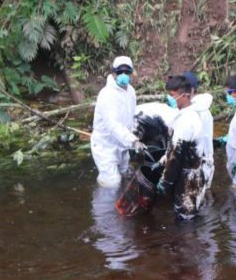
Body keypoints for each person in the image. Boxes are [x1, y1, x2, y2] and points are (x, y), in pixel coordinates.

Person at [156, 75, 214, 220]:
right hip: (192, 174)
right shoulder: (188, 115)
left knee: (185, 217)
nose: (169, 98)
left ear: (185, 95)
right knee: (190, 213)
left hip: (187, 179)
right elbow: (177, 149)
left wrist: (165, 182)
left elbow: (177, 156)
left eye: (172, 95)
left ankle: (188, 241)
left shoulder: (187, 120)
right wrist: (165, 158)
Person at [90, 55, 143, 187]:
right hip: (105, 145)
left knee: (125, 175)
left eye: (127, 72)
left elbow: (130, 116)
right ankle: (105, 206)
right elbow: (112, 125)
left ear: (132, 74)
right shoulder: (107, 94)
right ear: (113, 73)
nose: (123, 75)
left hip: (122, 144)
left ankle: (121, 203)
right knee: (111, 183)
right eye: (120, 72)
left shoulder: (131, 91)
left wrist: (133, 136)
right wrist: (133, 140)